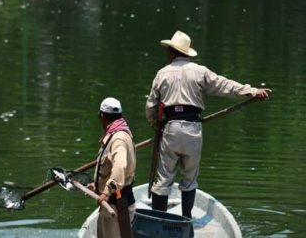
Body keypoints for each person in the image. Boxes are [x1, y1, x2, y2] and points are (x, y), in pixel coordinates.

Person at [145, 31, 271, 222]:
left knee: (162, 181)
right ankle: (186, 221)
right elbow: (225, 85)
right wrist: (252, 91)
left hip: (170, 128)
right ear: (186, 52)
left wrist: (156, 125)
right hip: (193, 129)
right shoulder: (200, 71)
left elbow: (151, 106)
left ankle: (157, 222)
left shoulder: (162, 73)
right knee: (189, 179)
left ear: (172, 51)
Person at [89, 97, 136, 238]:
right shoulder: (116, 135)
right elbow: (109, 168)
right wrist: (97, 186)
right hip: (112, 203)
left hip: (117, 206)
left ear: (103, 117)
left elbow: (119, 167)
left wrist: (105, 192)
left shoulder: (118, 139)